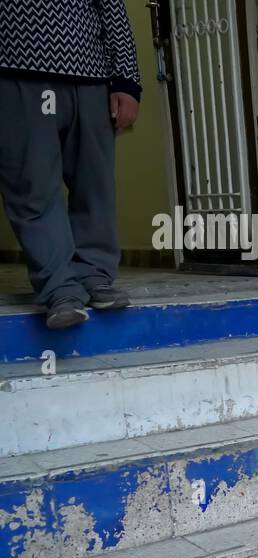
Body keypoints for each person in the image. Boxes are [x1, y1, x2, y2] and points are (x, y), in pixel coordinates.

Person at [0, 0, 141, 329]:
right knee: (32, 187)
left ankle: (95, 276)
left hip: (90, 77)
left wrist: (126, 81)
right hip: (15, 76)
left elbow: (112, 9)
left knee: (95, 186)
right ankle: (60, 288)